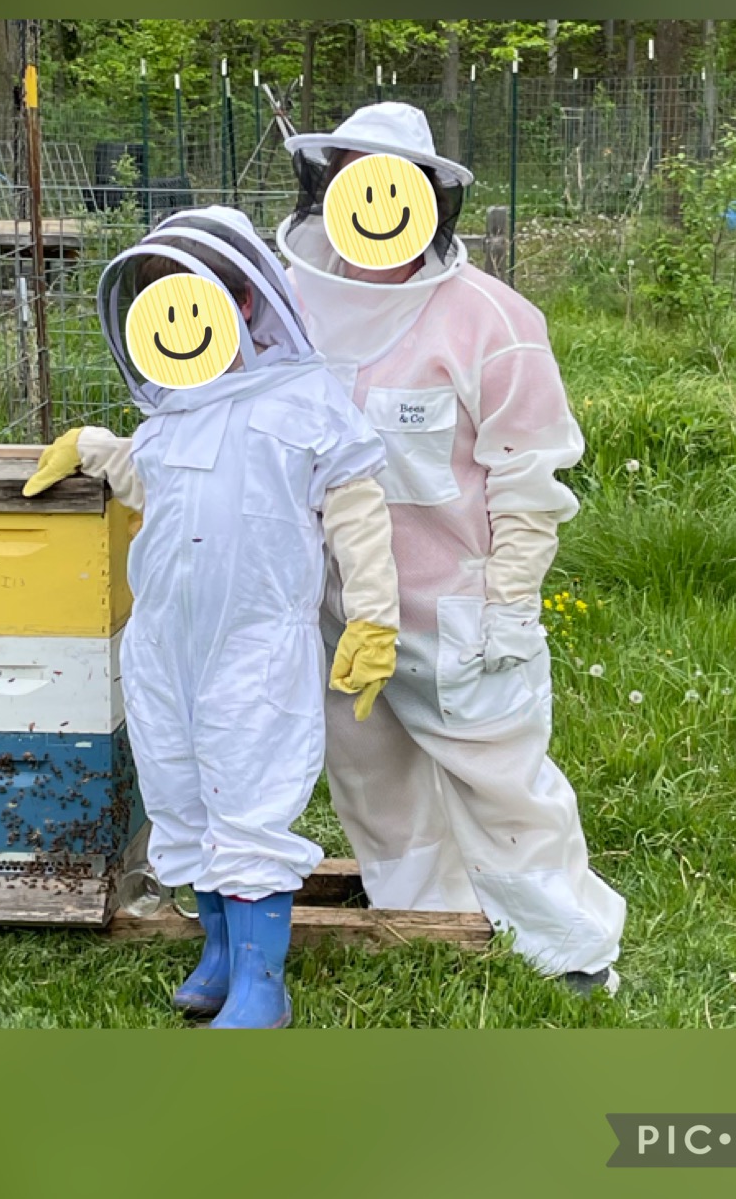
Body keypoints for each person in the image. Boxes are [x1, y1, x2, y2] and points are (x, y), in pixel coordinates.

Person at [277, 102, 627, 993]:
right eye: (356, 179)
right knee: (370, 774)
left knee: (502, 780)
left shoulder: (492, 320)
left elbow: (529, 472)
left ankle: (568, 950)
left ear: (430, 200)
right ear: (327, 187)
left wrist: (509, 602)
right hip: (333, 604)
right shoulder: (288, 308)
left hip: (454, 608)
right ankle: (430, 923)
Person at [22, 206, 399, 1028]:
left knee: (250, 793)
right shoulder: (173, 409)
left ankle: (265, 983)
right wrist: (93, 446)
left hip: (256, 645)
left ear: (248, 301)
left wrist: (373, 617)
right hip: (166, 642)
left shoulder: (305, 401)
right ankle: (221, 955)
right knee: (181, 787)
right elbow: (163, 484)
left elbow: (358, 509)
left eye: (195, 304)